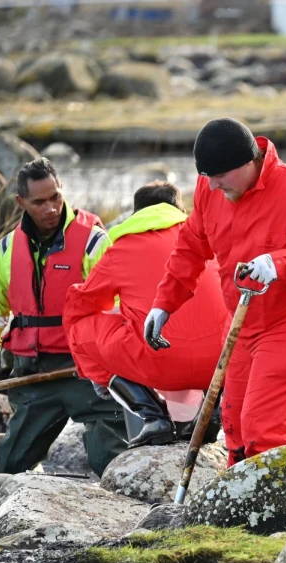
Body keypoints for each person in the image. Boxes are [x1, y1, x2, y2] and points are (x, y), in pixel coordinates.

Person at [145, 118, 286, 466]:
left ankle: (276, 519)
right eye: (206, 176)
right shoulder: (210, 189)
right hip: (242, 324)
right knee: (234, 431)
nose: (213, 185)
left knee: (263, 430)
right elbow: (190, 247)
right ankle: (233, 519)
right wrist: (163, 305)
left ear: (250, 161)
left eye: (221, 176)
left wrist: (280, 264)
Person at [0, 158, 127, 476]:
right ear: (21, 202)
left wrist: (108, 365)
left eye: (55, 197)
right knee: (7, 469)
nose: (51, 208)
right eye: (39, 202)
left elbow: (118, 307)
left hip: (87, 374)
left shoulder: (93, 241)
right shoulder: (7, 250)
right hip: (34, 375)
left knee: (109, 462)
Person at [63, 181, 229, 448]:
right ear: (181, 210)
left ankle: (153, 418)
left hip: (158, 362)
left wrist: (99, 373)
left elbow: (81, 307)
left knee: (77, 328)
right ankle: (215, 410)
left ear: (136, 214)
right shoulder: (211, 237)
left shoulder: (122, 249)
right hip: (221, 365)